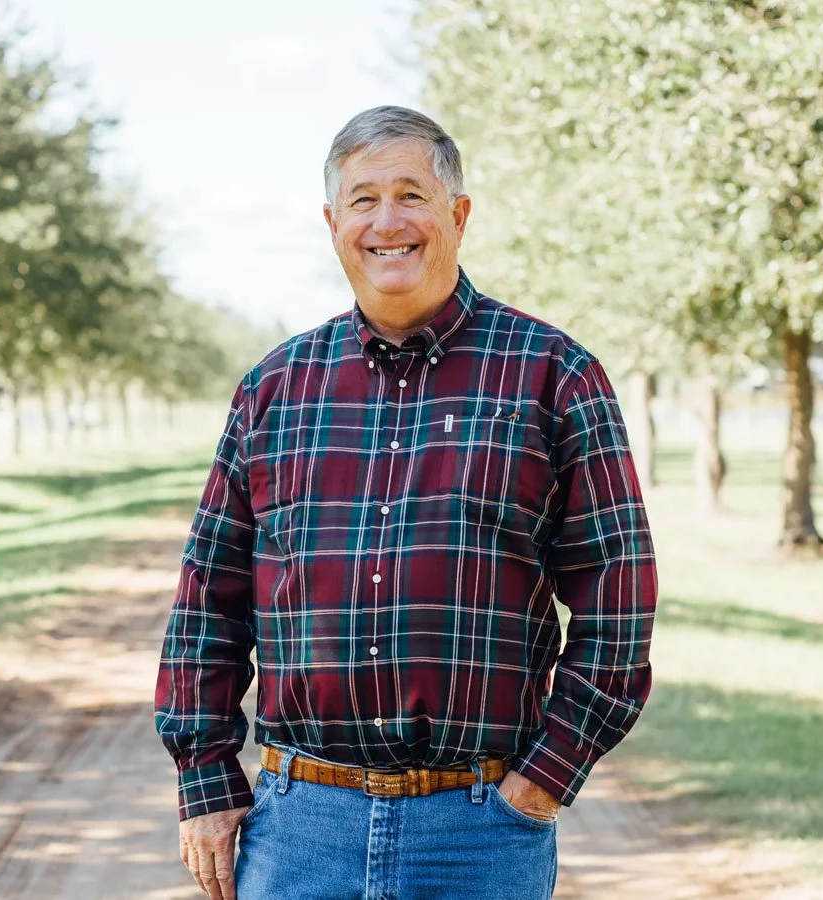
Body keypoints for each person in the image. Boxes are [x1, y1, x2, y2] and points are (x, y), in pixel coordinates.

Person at [155, 105, 657, 900]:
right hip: (299, 832)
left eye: (411, 196)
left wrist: (546, 778)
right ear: (334, 224)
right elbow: (209, 598)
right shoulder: (275, 390)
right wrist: (205, 778)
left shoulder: (553, 376)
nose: (387, 222)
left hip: (480, 837)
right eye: (363, 200)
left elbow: (617, 597)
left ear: (458, 214)